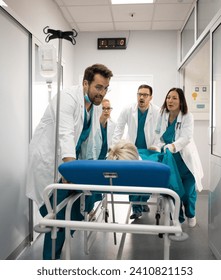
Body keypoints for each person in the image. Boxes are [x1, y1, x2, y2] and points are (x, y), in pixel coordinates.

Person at [25, 63, 113, 259]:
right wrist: (70, 170)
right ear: (85, 83)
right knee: (56, 216)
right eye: (98, 87)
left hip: (69, 163)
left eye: (106, 88)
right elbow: (65, 135)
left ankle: (56, 255)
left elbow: (90, 142)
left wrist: (90, 169)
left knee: (66, 213)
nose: (102, 92)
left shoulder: (95, 106)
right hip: (50, 163)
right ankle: (50, 261)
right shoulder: (67, 99)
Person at [151, 87, 204, 227]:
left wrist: (173, 146)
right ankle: (177, 219)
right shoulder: (162, 114)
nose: (170, 100)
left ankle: (190, 214)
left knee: (187, 193)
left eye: (174, 98)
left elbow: (186, 137)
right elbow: (157, 134)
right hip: (170, 160)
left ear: (181, 101)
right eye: (168, 97)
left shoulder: (187, 116)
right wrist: (158, 146)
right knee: (173, 191)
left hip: (185, 161)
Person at [112, 84, 160, 219]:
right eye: (139, 94)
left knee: (147, 177)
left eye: (145, 95)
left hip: (150, 150)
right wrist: (115, 147)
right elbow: (118, 129)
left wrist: (156, 146)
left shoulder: (157, 111)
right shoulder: (128, 109)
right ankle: (136, 207)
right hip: (132, 150)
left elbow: (160, 131)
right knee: (133, 178)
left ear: (151, 97)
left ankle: (143, 201)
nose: (142, 97)